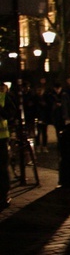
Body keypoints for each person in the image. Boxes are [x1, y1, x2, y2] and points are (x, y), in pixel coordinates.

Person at [0, 83, 16, 211]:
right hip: (2, 138)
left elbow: (10, 114)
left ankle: (3, 195)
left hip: (1, 139)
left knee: (2, 168)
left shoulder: (3, 97)